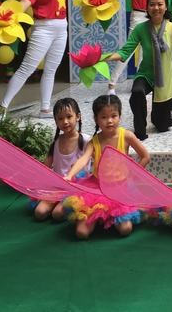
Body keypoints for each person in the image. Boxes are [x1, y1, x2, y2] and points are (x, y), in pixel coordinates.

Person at [0, 0, 86, 118]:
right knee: (26, 69)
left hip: (61, 28)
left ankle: (45, 109)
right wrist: (10, 16)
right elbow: (25, 2)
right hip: (43, 29)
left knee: (51, 69)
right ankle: (2, 109)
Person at [105, 0, 172, 141]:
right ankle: (140, 131)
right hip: (146, 74)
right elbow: (125, 52)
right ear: (147, 7)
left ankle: (162, 118)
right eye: (152, 4)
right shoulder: (141, 29)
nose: (156, 8)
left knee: (162, 125)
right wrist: (102, 58)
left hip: (164, 78)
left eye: (160, 4)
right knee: (137, 92)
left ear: (166, 7)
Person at [63, 95, 150, 239]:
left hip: (121, 189)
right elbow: (83, 159)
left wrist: (132, 174)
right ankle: (98, 216)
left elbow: (145, 156)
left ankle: (107, 217)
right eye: (104, 117)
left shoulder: (127, 136)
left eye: (113, 116)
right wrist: (70, 175)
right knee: (81, 233)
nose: (109, 120)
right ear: (96, 119)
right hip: (97, 187)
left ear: (119, 116)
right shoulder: (94, 142)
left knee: (125, 229)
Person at [34, 98, 86, 221]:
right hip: (57, 187)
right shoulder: (56, 143)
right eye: (60, 118)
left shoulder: (86, 141)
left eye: (69, 116)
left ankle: (61, 208)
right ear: (56, 121)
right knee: (39, 212)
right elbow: (45, 167)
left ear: (78, 116)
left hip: (77, 188)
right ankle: (56, 205)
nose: (65, 121)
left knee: (57, 214)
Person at [108, 0, 151, 94]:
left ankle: (140, 84)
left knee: (145, 52)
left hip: (151, 17)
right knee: (128, 50)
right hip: (138, 16)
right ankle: (112, 84)